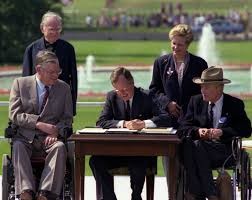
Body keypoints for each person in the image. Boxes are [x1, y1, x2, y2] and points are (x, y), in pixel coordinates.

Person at [89, 67, 171, 200]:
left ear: (132, 83)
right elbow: (101, 121)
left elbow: (165, 118)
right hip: (116, 151)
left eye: (125, 89)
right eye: (119, 90)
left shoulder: (146, 96)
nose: (122, 94)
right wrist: (123, 123)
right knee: (96, 161)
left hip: (141, 151)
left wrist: (144, 123)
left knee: (138, 162)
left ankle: (136, 196)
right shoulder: (112, 96)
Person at [148, 24, 208, 191]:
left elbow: (204, 91)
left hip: (191, 123)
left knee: (190, 164)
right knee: (170, 165)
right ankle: (173, 195)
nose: (175, 47)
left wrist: (190, 109)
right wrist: (167, 103)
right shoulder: (161, 63)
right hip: (168, 123)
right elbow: (153, 90)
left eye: (180, 44)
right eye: (173, 43)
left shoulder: (199, 63)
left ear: (187, 45)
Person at [177, 66, 251, 200]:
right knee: (190, 144)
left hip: (224, 151)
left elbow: (246, 129)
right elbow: (182, 128)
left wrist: (222, 132)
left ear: (219, 88)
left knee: (195, 146)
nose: (202, 90)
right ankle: (210, 193)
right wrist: (198, 131)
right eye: (201, 87)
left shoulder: (234, 104)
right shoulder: (196, 101)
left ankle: (196, 192)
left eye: (206, 87)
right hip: (199, 150)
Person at [9, 50, 73, 200]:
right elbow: (14, 114)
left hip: (51, 139)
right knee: (18, 146)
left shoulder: (63, 88)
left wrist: (56, 132)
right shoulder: (20, 84)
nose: (55, 75)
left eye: (58, 71)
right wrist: (38, 124)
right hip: (26, 137)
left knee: (59, 147)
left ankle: (45, 193)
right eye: (51, 72)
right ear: (39, 69)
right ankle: (26, 192)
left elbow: (67, 119)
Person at [22, 11, 77, 116]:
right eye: (52, 29)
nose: (55, 32)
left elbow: (73, 79)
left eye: (58, 29)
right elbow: (25, 80)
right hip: (36, 103)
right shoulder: (31, 49)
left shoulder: (68, 49)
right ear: (42, 28)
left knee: (60, 131)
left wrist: (72, 108)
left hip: (61, 101)